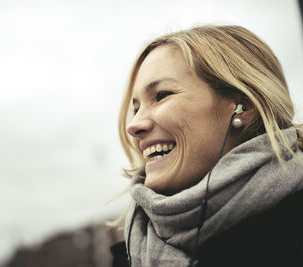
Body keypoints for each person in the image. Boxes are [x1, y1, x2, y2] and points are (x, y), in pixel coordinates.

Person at [112, 25, 303, 267]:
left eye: (162, 95)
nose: (134, 125)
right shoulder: (128, 255)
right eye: (136, 108)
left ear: (243, 105)